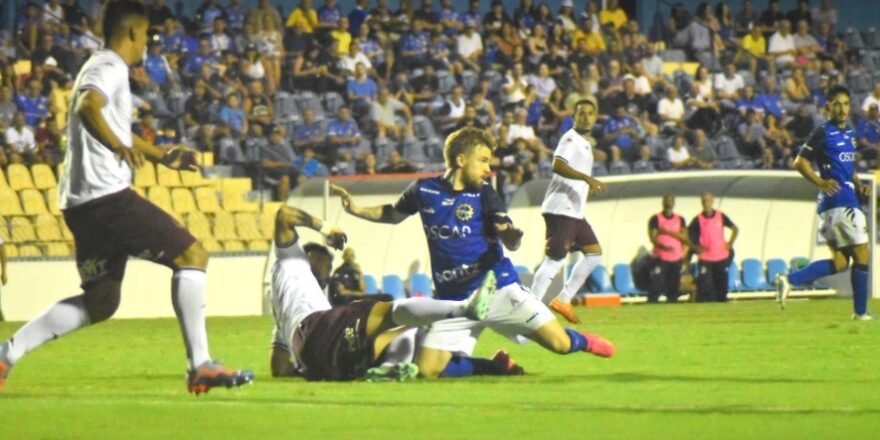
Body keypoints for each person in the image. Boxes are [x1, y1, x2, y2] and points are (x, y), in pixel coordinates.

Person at [0, 1, 253, 395]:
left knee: (101, 301)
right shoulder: (112, 66)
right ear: (133, 33)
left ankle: (6, 355)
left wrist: (161, 156)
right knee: (192, 255)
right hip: (108, 199)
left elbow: (108, 120)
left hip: (81, 204)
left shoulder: (97, 66)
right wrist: (118, 147)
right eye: (147, 37)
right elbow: (89, 107)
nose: (147, 46)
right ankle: (200, 365)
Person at [331, 127, 615, 379]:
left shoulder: (485, 194)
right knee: (429, 369)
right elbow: (393, 213)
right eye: (483, 161)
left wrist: (510, 236)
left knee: (560, 345)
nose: (488, 169)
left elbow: (506, 232)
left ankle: (584, 342)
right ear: (460, 160)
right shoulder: (424, 190)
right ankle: (496, 367)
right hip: (454, 300)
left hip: (499, 290)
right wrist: (356, 210)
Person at [268, 205, 498, 381]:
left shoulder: (282, 309)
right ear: (308, 257)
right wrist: (327, 228)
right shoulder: (291, 259)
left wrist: (303, 370)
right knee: (389, 311)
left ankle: (389, 368)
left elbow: (279, 367)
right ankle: (464, 308)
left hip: (317, 362)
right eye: (325, 263)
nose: (328, 271)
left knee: (406, 330)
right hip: (317, 329)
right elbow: (284, 214)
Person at [776, 85, 873, 320]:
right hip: (841, 202)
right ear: (828, 106)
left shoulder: (849, 133)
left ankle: (790, 279)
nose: (842, 109)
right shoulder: (823, 131)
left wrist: (859, 183)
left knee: (840, 263)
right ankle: (860, 313)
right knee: (862, 254)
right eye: (837, 104)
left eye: (846, 103)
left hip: (836, 203)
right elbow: (800, 162)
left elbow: (846, 168)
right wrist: (820, 181)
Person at [530, 100, 607, 324]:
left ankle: (563, 299)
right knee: (553, 262)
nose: (586, 118)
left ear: (595, 117)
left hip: (574, 211)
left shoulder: (585, 143)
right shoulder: (570, 138)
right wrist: (586, 178)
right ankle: (530, 312)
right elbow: (557, 165)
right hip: (561, 209)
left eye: (590, 114)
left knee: (594, 254)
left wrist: (584, 187)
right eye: (581, 114)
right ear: (574, 116)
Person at [688, 192, 738, 303]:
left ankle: (722, 307)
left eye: (708, 200)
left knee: (721, 285)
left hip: (720, 257)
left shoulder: (720, 216)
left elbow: (735, 229)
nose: (706, 203)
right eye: (704, 201)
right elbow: (688, 235)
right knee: (706, 285)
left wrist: (730, 243)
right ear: (702, 203)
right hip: (706, 258)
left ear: (712, 201)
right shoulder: (698, 219)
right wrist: (696, 248)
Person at [647, 195, 689, 303]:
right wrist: (663, 247)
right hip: (660, 258)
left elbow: (684, 237)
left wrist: (666, 232)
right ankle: (652, 305)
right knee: (656, 284)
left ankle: (672, 306)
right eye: (666, 201)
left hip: (675, 259)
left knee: (674, 286)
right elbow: (653, 238)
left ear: (674, 203)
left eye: (671, 201)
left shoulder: (680, 219)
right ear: (662, 202)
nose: (668, 203)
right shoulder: (655, 218)